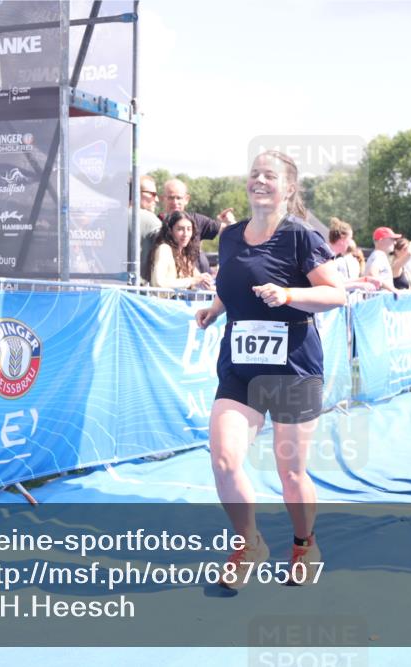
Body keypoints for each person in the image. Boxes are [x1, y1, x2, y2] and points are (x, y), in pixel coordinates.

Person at [195, 151, 345, 589]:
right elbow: (234, 283)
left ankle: (304, 543)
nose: (259, 180)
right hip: (240, 366)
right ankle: (249, 543)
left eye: (270, 176)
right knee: (223, 459)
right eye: (254, 173)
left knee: (291, 474)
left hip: (293, 367)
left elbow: (337, 295)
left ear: (288, 189)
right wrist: (216, 307)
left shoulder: (301, 237)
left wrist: (289, 294)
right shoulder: (229, 236)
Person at [161, 178, 237, 274]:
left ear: (186, 199)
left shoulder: (196, 220)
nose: (175, 202)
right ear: (163, 199)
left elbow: (230, 231)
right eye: (171, 198)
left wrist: (230, 221)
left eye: (179, 198)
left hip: (204, 282)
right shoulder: (158, 224)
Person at [148, 211, 214, 290]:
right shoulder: (164, 249)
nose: (186, 234)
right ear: (170, 231)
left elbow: (202, 280)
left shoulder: (185, 254)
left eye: (189, 229)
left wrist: (207, 282)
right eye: (180, 229)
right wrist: (192, 280)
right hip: (163, 301)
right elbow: (159, 283)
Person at [136, 175, 164, 283]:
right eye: (152, 194)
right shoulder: (151, 220)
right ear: (135, 192)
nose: (156, 199)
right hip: (140, 293)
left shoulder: (110, 218)